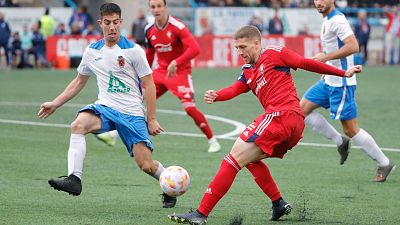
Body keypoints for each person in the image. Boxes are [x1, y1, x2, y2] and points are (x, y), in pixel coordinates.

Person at [168, 25, 362, 225]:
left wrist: (342, 73)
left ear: (256, 43)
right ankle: (278, 203)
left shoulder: (274, 53)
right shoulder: (248, 71)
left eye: (243, 47)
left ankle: (201, 213)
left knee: (231, 160)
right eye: (237, 48)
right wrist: (217, 95)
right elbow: (235, 89)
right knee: (249, 160)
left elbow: (306, 63)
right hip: (292, 124)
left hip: (282, 116)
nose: (240, 52)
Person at [37, 3, 178, 209]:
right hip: (105, 107)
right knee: (78, 125)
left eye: (115, 23)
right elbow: (78, 82)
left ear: (121, 22)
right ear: (100, 23)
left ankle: (169, 186)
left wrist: (152, 118)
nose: (112, 27)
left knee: (145, 165)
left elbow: (149, 84)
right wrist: (55, 104)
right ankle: (74, 179)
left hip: (131, 113)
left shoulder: (133, 51)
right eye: (107, 23)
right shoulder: (92, 51)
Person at [97, 0, 221, 153]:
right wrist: (139, 73)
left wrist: (176, 61)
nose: (156, 9)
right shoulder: (149, 29)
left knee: (189, 108)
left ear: (165, 7)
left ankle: (213, 141)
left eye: (159, 6)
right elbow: (149, 54)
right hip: (160, 72)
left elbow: (195, 49)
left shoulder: (178, 27)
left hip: (180, 73)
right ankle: (113, 133)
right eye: (153, 7)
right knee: (133, 98)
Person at [300, 0, 394, 182]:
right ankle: (340, 142)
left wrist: (324, 58)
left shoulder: (337, 21)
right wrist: (326, 64)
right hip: (329, 79)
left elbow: (353, 46)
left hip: (342, 82)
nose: (318, 2)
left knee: (351, 129)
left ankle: (384, 162)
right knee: (300, 110)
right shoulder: (327, 19)